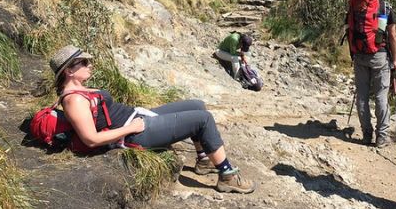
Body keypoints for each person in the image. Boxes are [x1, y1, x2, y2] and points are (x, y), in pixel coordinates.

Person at [51, 45, 256, 194]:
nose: (90, 65)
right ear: (69, 70)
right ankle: (227, 176)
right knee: (203, 119)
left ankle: (203, 160)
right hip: (135, 132)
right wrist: (131, 127)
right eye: (84, 62)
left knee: (197, 105)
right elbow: (91, 139)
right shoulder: (74, 100)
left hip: (137, 118)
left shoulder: (79, 88)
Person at [347, 0, 396, 148]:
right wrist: (395, 59)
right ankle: (381, 137)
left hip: (359, 55)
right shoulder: (385, 6)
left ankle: (366, 135)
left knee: (361, 96)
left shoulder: (354, 5)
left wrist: (353, 52)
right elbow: (392, 35)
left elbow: (349, 29)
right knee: (380, 96)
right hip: (380, 56)